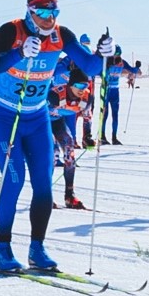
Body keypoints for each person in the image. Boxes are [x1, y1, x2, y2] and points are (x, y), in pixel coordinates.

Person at [0, 0, 104, 270]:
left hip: (36, 118)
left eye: (54, 13)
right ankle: (2, 248)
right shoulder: (11, 30)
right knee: (14, 179)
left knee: (43, 183)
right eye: (44, 13)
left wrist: (103, 53)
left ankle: (37, 249)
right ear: (30, 11)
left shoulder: (63, 35)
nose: (50, 19)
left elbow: (89, 65)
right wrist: (18, 53)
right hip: (3, 116)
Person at [53, 67, 92, 208]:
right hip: (42, 122)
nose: (83, 89)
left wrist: (88, 136)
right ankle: (45, 194)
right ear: (71, 84)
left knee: (70, 152)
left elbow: (88, 117)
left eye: (86, 85)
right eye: (80, 85)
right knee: (53, 154)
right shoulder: (55, 94)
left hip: (58, 122)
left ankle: (69, 195)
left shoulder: (86, 98)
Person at [97, 47, 140, 144]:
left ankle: (114, 137)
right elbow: (98, 71)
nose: (117, 57)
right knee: (104, 114)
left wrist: (137, 67)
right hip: (105, 90)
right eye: (115, 55)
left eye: (118, 55)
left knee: (115, 114)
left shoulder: (122, 62)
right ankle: (102, 136)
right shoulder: (106, 62)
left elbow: (132, 70)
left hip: (115, 91)